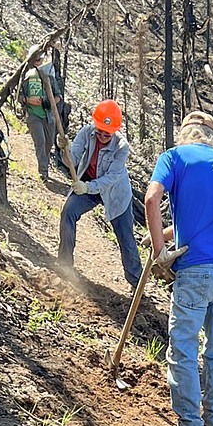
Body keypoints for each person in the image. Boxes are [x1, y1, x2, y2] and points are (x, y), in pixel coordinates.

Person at [144, 111, 213, 426]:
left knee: (183, 350)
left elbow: (152, 199)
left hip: (196, 270)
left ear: (184, 135)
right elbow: (208, 218)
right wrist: (166, 235)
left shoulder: (173, 157)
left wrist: (159, 252)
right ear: (211, 139)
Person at [59, 100, 142, 288]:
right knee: (68, 212)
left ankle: (136, 281)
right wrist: (63, 148)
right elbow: (71, 161)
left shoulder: (122, 146)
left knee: (126, 237)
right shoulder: (86, 133)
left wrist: (88, 188)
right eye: (100, 131)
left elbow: (112, 177)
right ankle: (64, 265)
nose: (103, 136)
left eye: (108, 133)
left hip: (114, 193)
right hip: (86, 183)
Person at [20, 60, 60, 179]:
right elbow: (19, 96)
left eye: (40, 60)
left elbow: (58, 96)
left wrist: (49, 102)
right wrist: (28, 100)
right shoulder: (27, 76)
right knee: (40, 141)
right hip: (33, 115)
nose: (38, 62)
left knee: (49, 143)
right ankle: (43, 171)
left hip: (49, 116)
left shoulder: (50, 77)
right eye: (36, 59)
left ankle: (45, 163)